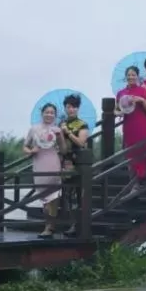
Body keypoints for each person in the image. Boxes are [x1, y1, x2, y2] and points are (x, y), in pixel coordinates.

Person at [23, 103, 65, 238]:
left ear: (55, 115)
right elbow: (25, 147)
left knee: (54, 197)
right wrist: (31, 151)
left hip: (53, 163)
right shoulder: (34, 129)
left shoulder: (57, 129)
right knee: (44, 198)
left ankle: (49, 227)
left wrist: (60, 137)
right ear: (42, 113)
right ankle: (49, 223)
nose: (49, 115)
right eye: (47, 112)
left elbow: (63, 150)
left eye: (52, 113)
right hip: (39, 164)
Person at [58, 93, 89, 238]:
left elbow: (81, 143)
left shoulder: (82, 124)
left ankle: (78, 224)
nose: (71, 110)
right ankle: (69, 222)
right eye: (68, 107)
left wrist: (68, 133)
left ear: (78, 108)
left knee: (77, 194)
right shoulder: (61, 124)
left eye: (74, 107)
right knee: (66, 194)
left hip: (78, 162)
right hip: (64, 162)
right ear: (65, 108)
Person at [115, 66, 146, 180]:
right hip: (128, 125)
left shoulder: (142, 90)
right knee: (130, 152)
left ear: (137, 76)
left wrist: (141, 100)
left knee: (141, 151)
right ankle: (132, 180)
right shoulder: (121, 93)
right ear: (125, 76)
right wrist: (120, 113)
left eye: (133, 75)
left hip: (141, 124)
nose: (131, 77)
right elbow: (115, 109)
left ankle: (140, 180)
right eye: (129, 75)